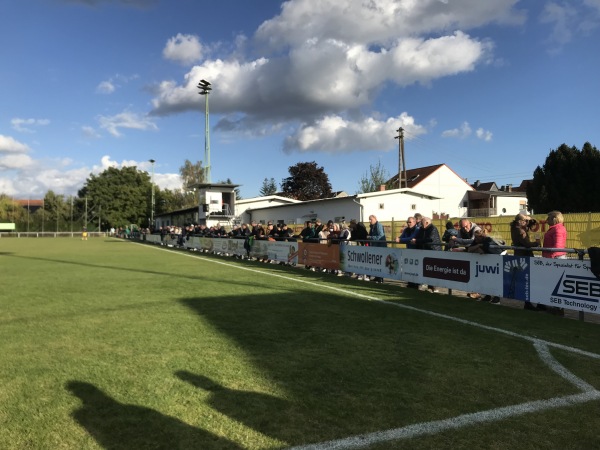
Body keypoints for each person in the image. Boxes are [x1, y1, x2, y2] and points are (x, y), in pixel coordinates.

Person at [511, 213, 542, 310]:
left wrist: (528, 224)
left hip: (519, 255)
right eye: (526, 221)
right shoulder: (521, 231)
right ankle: (528, 303)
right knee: (528, 280)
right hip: (524, 256)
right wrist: (537, 243)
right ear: (521, 222)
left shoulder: (514, 228)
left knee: (525, 280)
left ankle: (528, 302)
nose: (527, 223)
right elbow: (527, 244)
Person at [411, 217, 442, 293]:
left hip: (433, 251)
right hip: (424, 252)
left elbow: (430, 239)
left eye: (422, 223)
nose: (420, 224)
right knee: (425, 269)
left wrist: (417, 241)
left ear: (427, 223)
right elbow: (418, 237)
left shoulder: (433, 229)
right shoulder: (422, 229)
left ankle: (433, 287)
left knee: (432, 269)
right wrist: (415, 240)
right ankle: (427, 285)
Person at [367, 215, 387, 282]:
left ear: (375, 219)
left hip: (380, 247)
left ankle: (380, 278)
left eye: (371, 219)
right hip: (375, 247)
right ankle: (377, 277)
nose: (369, 221)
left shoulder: (378, 225)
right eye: (369, 219)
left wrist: (371, 238)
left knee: (380, 263)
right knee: (376, 263)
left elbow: (381, 236)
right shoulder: (372, 226)